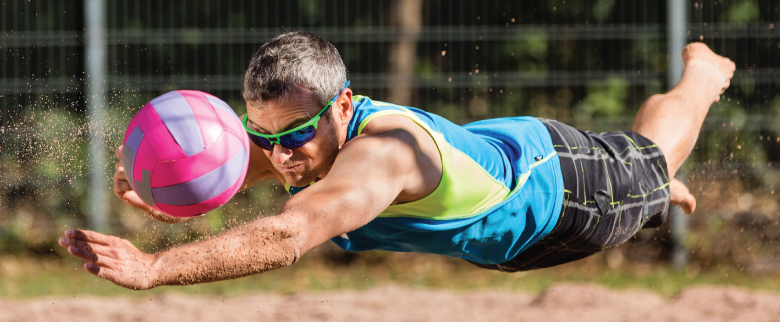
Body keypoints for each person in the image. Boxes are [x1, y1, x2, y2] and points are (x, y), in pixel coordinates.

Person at [59, 31, 734, 289]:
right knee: (646, 171)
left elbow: (288, 233)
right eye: (263, 133)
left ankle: (700, 76)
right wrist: (168, 196)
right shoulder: (302, 141)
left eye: (296, 135)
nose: (281, 154)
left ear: (345, 104)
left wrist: (155, 266)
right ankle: (654, 185)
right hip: (502, 157)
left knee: (648, 159)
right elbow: (242, 172)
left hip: (565, 198)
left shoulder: (377, 159)